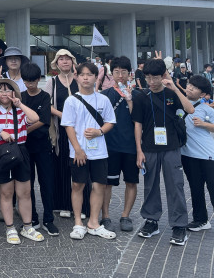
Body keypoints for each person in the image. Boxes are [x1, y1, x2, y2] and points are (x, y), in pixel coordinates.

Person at [132, 59, 196, 246]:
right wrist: (139, 150)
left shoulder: (171, 94)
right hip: (149, 148)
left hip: (171, 147)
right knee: (150, 185)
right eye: (148, 78)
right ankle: (151, 220)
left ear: (163, 76)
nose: (151, 81)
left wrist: (175, 88)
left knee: (175, 185)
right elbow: (138, 125)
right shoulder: (141, 97)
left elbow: (190, 109)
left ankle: (179, 225)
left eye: (156, 77)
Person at [0, 78, 44, 245]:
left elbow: (35, 117)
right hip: (1, 153)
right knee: (6, 192)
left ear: (13, 93)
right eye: (0, 90)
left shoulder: (20, 111)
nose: (4, 93)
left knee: (24, 192)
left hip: (21, 150)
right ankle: (10, 228)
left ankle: (27, 226)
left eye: (7, 90)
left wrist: (20, 104)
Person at [62, 62, 117, 241]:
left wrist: (99, 131)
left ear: (96, 78)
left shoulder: (103, 99)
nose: (86, 78)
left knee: (99, 185)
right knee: (78, 185)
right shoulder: (71, 100)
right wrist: (77, 149)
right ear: (76, 77)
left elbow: (110, 121)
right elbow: (68, 126)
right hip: (78, 152)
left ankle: (93, 222)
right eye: (82, 74)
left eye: (90, 74)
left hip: (99, 151)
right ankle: (78, 222)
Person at [181, 75, 214, 241]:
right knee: (196, 189)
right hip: (188, 156)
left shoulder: (206, 109)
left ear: (203, 94)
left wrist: (203, 124)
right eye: (189, 85)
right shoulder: (180, 104)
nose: (190, 88)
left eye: (194, 88)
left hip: (208, 156)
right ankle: (201, 220)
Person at [44, 48, 87, 218]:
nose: (64, 62)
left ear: (72, 62)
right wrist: (62, 115)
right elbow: (46, 104)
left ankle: (82, 205)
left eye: (67, 59)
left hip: (80, 130)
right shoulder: (52, 82)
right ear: (56, 63)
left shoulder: (79, 80)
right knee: (61, 166)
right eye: (61, 59)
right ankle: (63, 204)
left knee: (80, 165)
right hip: (60, 130)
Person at [100, 56, 138, 233]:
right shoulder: (105, 95)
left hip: (131, 147)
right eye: (117, 72)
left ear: (130, 73)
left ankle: (125, 216)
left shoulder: (138, 94)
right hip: (110, 146)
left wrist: (129, 99)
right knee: (107, 183)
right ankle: (105, 216)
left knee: (131, 182)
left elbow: (138, 120)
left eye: (124, 71)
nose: (120, 75)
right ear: (111, 73)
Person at [21, 62, 59, 236]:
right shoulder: (20, 97)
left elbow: (44, 120)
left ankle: (48, 219)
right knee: (27, 184)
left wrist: (24, 131)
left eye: (34, 81)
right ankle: (33, 217)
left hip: (43, 146)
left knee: (47, 183)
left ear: (39, 79)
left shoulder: (44, 96)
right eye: (27, 81)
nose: (30, 84)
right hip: (25, 148)